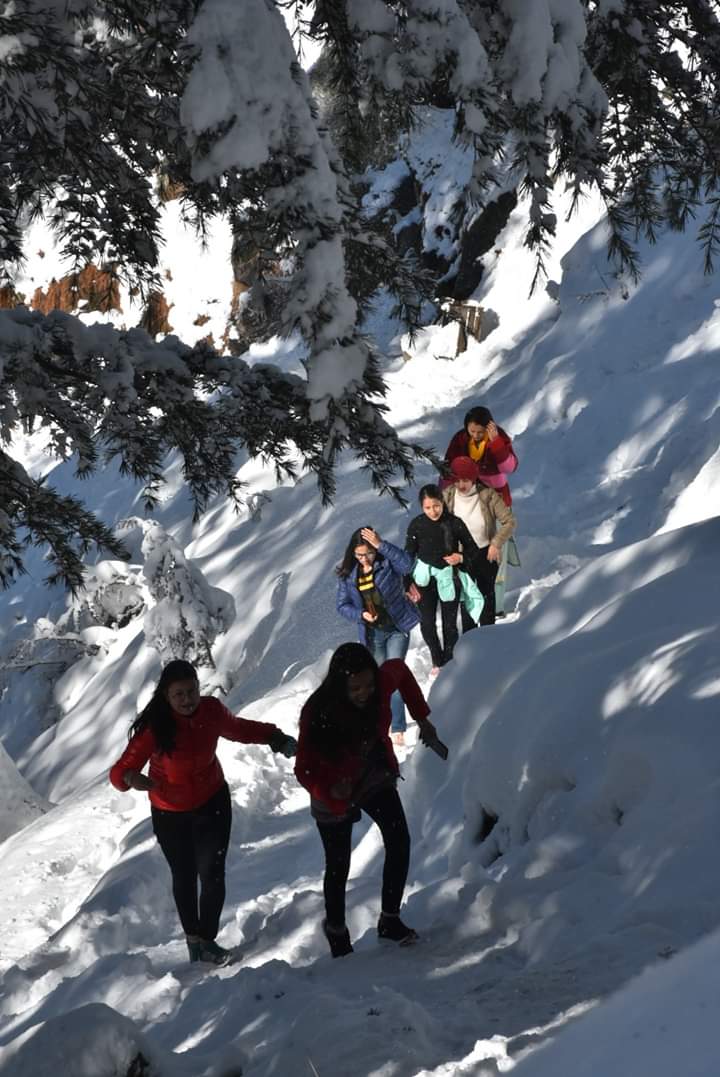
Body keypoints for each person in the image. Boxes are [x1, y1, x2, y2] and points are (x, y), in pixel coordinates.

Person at [109, 659, 297, 965]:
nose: (187, 700)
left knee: (212, 873)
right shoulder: (155, 728)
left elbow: (239, 729)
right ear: (166, 697)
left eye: (191, 691)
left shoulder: (210, 711)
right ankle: (193, 941)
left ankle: (206, 939)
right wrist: (132, 778)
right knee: (184, 876)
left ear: (199, 688)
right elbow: (118, 772)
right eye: (179, 695)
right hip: (170, 813)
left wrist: (275, 738)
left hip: (212, 801)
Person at [295, 643, 439, 957]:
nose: (364, 693)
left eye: (369, 685)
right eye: (355, 688)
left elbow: (398, 669)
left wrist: (422, 717)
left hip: (372, 775)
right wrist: (330, 793)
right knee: (338, 864)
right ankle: (336, 932)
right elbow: (303, 769)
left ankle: (389, 921)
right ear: (339, 685)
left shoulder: (380, 685)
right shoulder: (317, 712)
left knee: (399, 838)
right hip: (331, 784)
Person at [336, 526, 419, 746]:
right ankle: (383, 722)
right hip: (372, 634)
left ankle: (399, 726)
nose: (365, 559)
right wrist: (361, 614)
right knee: (379, 681)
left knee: (393, 675)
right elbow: (342, 605)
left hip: (397, 628)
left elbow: (407, 564)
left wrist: (381, 544)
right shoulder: (348, 575)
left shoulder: (387, 563)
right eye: (360, 555)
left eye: (369, 553)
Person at [442, 406, 519, 614]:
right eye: (472, 431)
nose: (475, 435)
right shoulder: (460, 440)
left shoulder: (498, 438)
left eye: (480, 432)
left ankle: (496, 606)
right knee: (467, 549)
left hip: (495, 500)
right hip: (467, 502)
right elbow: (448, 471)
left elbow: (510, 467)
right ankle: (471, 601)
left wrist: (496, 444)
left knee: (496, 553)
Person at [405, 484, 485, 673]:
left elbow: (473, 549)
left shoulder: (454, 522)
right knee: (427, 622)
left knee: (450, 625)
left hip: (449, 576)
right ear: (421, 507)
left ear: (442, 502)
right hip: (424, 580)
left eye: (436, 506)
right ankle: (436, 659)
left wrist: (461, 557)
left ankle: (449, 661)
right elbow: (407, 556)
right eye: (428, 507)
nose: (433, 511)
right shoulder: (416, 525)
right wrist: (407, 582)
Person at [442, 457, 516, 627]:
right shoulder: (447, 496)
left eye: (466, 480)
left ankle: (487, 638)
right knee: (467, 599)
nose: (462, 485)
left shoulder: (488, 495)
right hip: (461, 555)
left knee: (486, 598)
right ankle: (469, 640)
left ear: (473, 478)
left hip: (485, 552)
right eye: (458, 480)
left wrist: (496, 543)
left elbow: (509, 521)